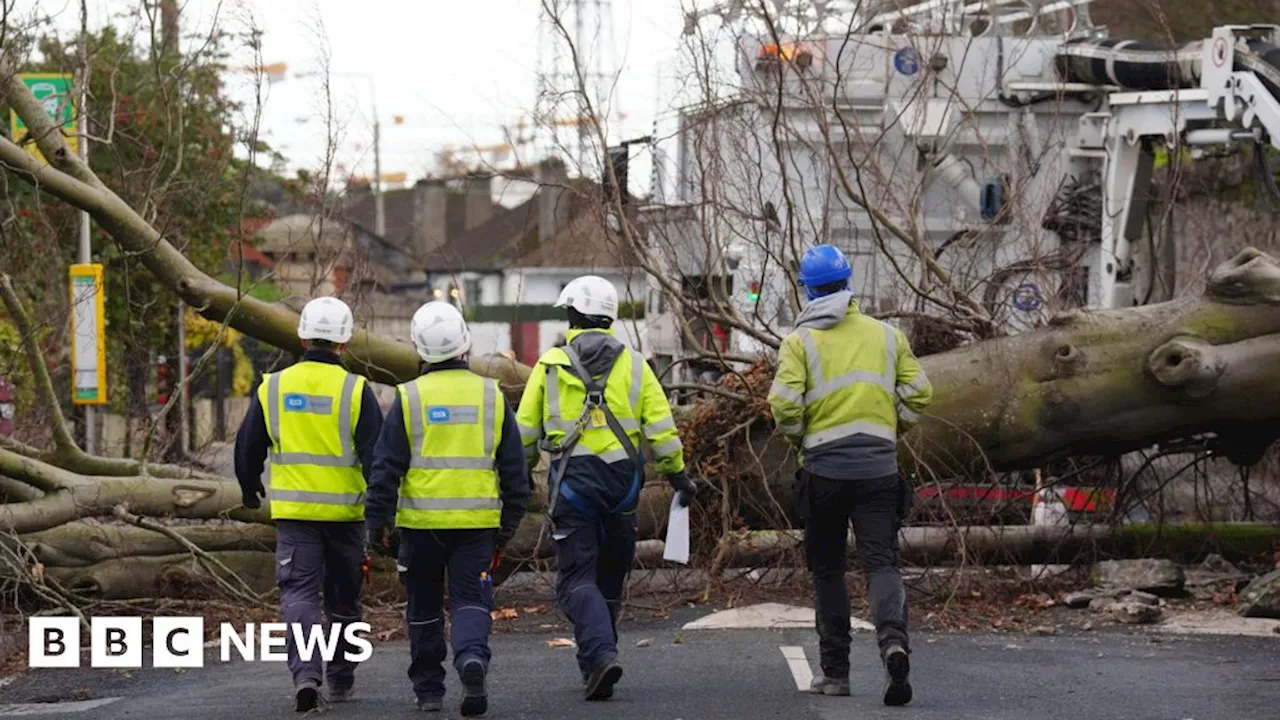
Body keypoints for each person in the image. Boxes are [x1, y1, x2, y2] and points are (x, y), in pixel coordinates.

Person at [515, 275, 695, 702]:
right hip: (623, 486)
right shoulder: (636, 364)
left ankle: (600, 656)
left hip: (574, 486)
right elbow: (662, 428)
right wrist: (677, 476)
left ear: (575, 314)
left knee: (577, 577)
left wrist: (518, 478)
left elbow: (524, 431)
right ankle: (597, 661)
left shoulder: (551, 365)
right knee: (611, 575)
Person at [767, 244, 933, 707]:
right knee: (882, 563)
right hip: (879, 467)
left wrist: (801, 439)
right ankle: (893, 645)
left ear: (808, 290)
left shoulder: (799, 343)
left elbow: (782, 405)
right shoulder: (886, 336)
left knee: (828, 571)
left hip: (823, 471)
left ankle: (836, 673)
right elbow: (920, 393)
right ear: (848, 284)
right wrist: (891, 427)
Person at [364, 301, 531, 716]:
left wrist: (377, 525)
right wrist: (506, 527)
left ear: (420, 350)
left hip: (420, 527)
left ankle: (428, 691)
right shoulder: (492, 397)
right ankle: (471, 659)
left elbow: (385, 469)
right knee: (471, 600)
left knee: (422, 607)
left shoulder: (408, 398)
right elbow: (516, 473)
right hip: (476, 525)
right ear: (465, 344)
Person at [234, 296, 384, 712]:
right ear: (345, 341)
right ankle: (340, 678)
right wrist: (383, 514)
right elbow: (377, 459)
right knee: (343, 600)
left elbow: (248, 447)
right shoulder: (357, 390)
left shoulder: (274, 386)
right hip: (346, 517)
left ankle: (305, 676)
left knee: (299, 595)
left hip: (296, 517)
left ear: (302, 337)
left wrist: (249, 489)